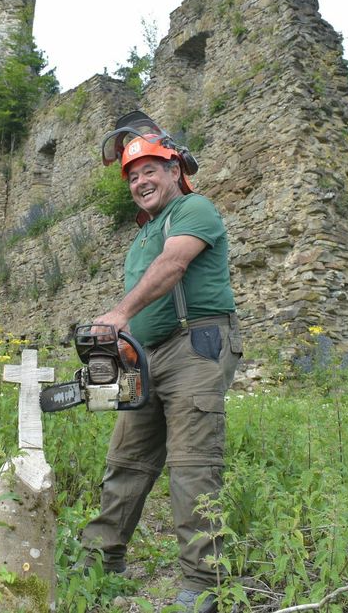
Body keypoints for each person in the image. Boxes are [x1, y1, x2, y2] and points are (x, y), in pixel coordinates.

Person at [82, 111, 242, 613]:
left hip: (196, 345)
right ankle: (102, 558)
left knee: (193, 464)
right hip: (146, 357)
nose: (140, 182)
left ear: (175, 170)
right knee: (125, 459)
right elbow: (142, 297)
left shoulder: (195, 210)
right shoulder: (141, 236)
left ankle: (201, 582)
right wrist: (118, 343)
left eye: (150, 170)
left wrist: (118, 314)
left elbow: (174, 267)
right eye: (132, 176)